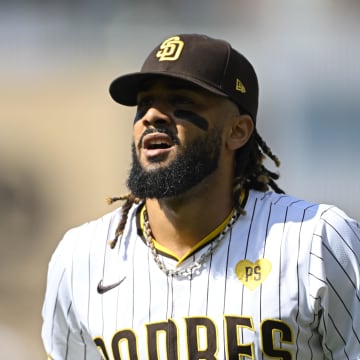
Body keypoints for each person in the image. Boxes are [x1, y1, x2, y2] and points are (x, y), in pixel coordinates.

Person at [41, 34, 360, 359]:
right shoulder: (80, 259)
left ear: (237, 131)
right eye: (143, 104)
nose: (151, 116)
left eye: (182, 103)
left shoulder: (316, 242)